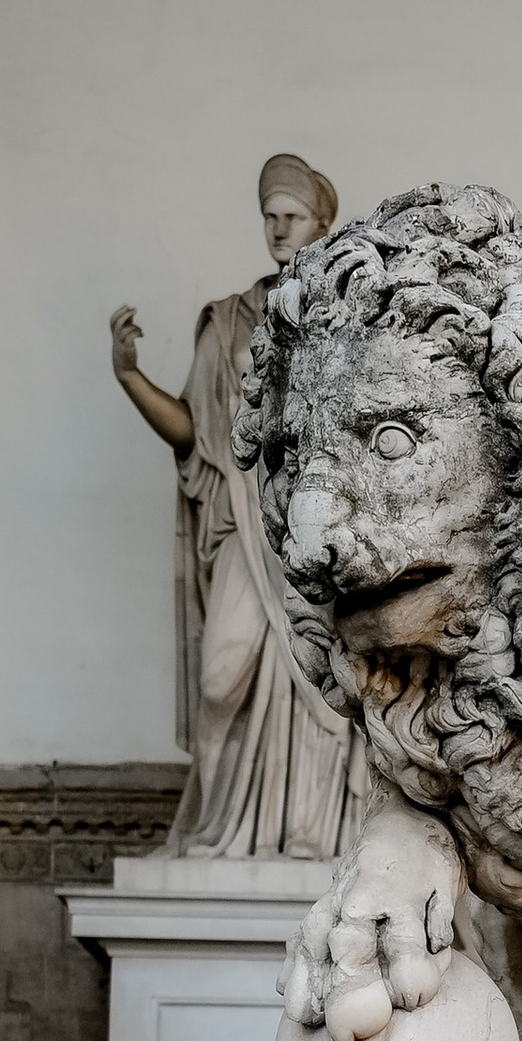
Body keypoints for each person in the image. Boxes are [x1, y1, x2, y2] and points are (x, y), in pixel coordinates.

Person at [108, 151, 379, 862]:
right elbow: (194, 433)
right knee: (222, 672)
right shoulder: (228, 322)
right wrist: (129, 375)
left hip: (317, 531)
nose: (278, 229)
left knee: (323, 690)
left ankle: (310, 836)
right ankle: (215, 829)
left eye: (291, 217)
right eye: (270, 217)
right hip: (243, 519)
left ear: (323, 224)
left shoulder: (353, 322)